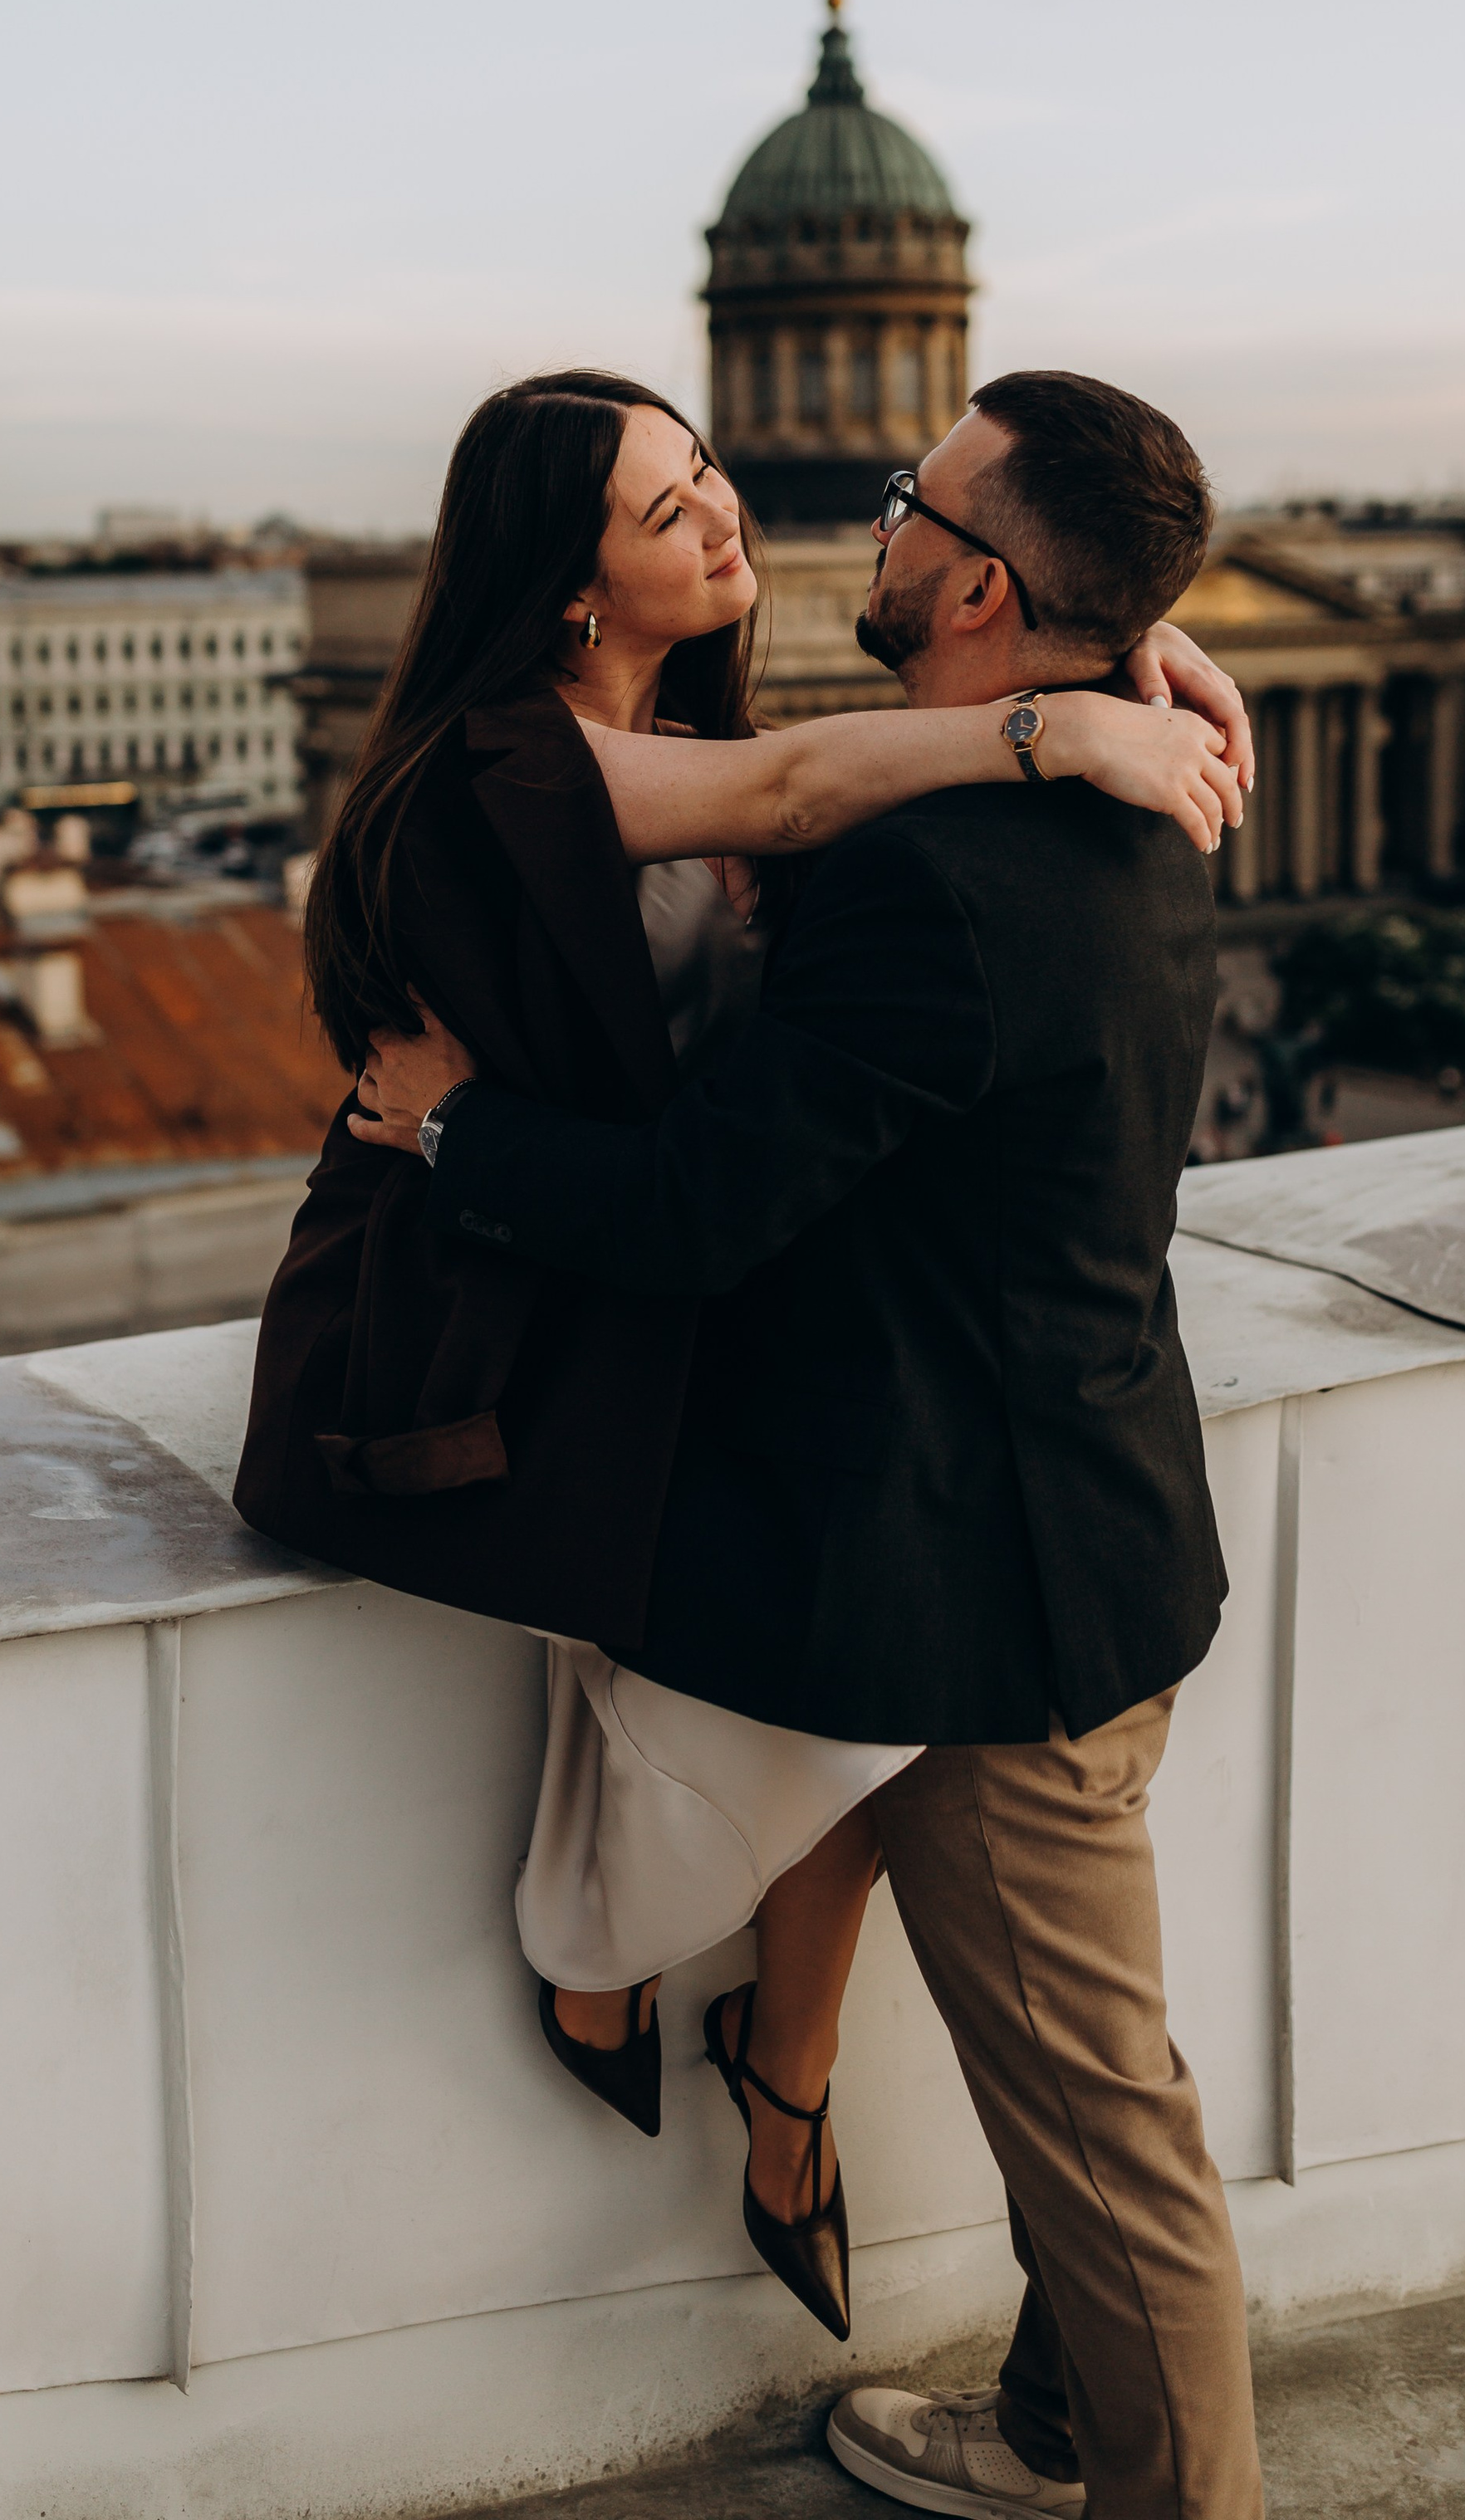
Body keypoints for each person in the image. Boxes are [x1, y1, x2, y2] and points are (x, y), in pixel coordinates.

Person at [236, 366, 1247, 2361]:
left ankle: (775, 2084)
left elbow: (820, 775)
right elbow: (793, 805)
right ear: (563, 588)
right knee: (837, 1769)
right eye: (666, 504)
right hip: (572, 1324)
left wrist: (1137, 642)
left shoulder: (724, 713)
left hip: (779, 1370)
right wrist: (1075, 706)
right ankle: (720, 2056)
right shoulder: (508, 772)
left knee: (875, 1767)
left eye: (717, 474)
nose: (732, 520)